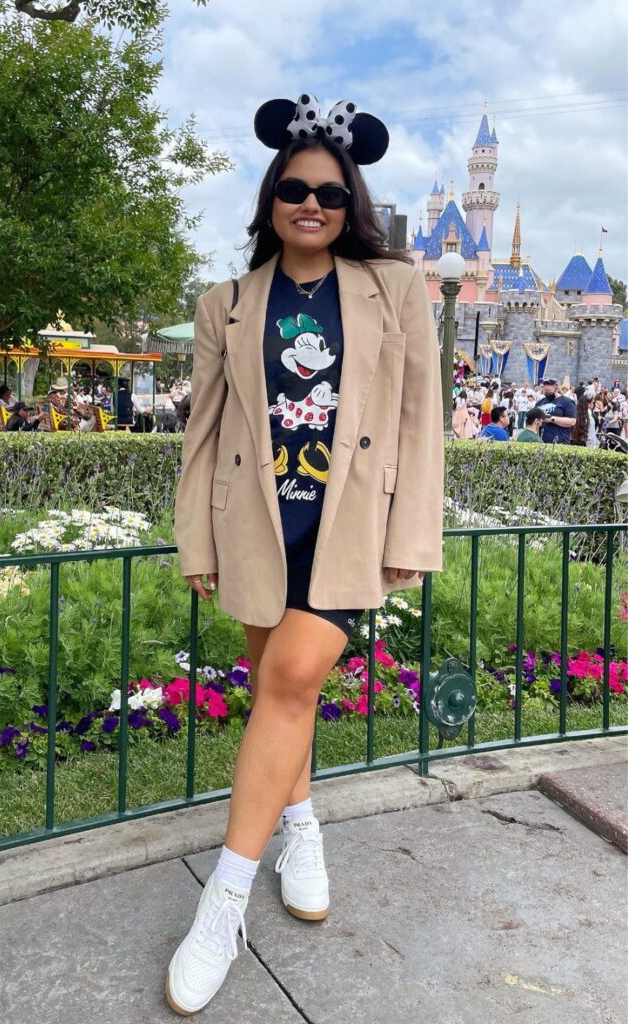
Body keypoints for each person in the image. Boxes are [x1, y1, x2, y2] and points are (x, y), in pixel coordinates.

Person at [168, 92, 444, 1016]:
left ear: (350, 197)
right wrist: (194, 534)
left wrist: (412, 533)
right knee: (278, 700)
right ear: (270, 198)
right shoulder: (228, 304)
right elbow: (202, 434)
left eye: (328, 190)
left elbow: (419, 418)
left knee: (288, 685)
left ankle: (223, 904)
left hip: (347, 530)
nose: (311, 204)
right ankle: (304, 826)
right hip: (254, 524)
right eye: (293, 189)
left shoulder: (396, 286)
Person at [532, 378, 576, 444]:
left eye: (550, 392)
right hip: (542, 439)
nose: (548, 394)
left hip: (560, 440)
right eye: (546, 392)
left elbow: (572, 421)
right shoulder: (540, 403)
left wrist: (551, 419)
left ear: (556, 389)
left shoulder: (566, 402)